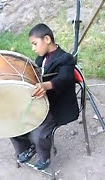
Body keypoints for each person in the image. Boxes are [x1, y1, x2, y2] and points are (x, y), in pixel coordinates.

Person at [10, 23, 79, 170]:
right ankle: (27, 148)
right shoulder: (41, 59)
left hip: (58, 106)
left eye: (35, 44)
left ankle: (44, 157)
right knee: (14, 123)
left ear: (47, 39)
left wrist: (46, 85)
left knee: (38, 133)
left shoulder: (65, 58)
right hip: (42, 102)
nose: (33, 48)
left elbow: (65, 78)